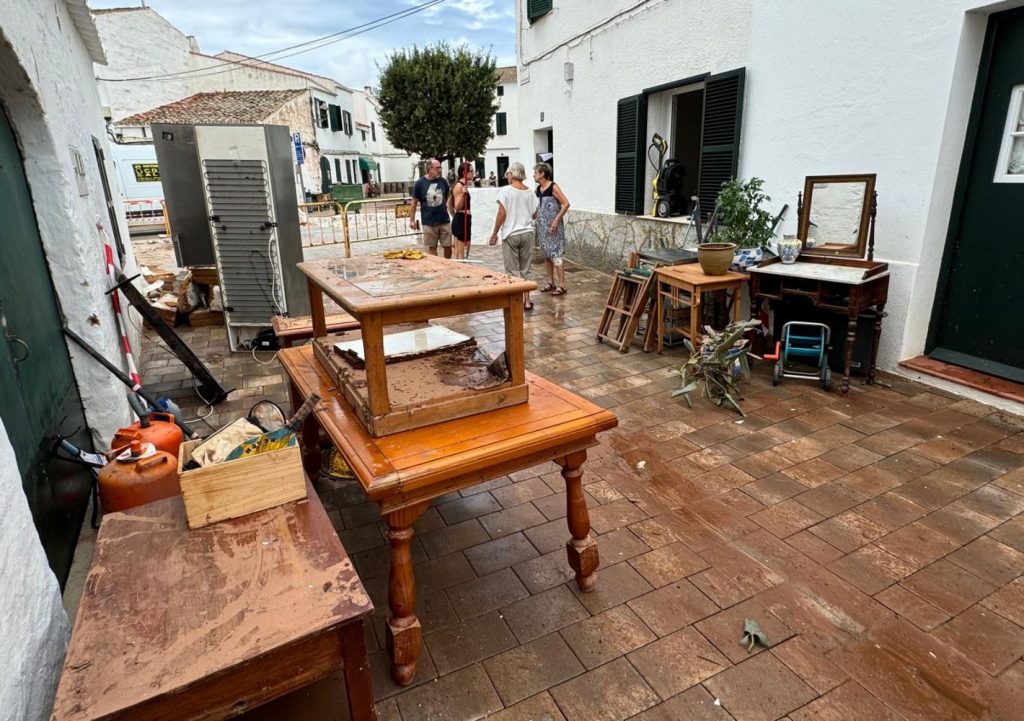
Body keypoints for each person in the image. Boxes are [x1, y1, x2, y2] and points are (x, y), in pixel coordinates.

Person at [489, 162, 539, 311]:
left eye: (508, 173)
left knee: (511, 271)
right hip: (527, 233)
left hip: (511, 234)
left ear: (512, 174)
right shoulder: (530, 192)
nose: (507, 176)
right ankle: (527, 301)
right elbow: (535, 212)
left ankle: (513, 302)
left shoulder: (506, 191)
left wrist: (494, 233)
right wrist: (524, 218)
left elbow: (501, 213)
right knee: (525, 269)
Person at [533, 162, 571, 295]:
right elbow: (538, 208)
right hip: (543, 228)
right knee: (547, 255)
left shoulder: (553, 187)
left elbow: (566, 204)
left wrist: (556, 220)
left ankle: (562, 285)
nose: (534, 175)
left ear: (543, 174)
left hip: (554, 227)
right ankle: (550, 282)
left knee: (555, 254)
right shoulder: (538, 190)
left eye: (536, 172)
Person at [409, 158, 452, 258]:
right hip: (429, 222)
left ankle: (447, 266)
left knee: (448, 246)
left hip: (444, 220)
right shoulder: (420, 183)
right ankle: (437, 268)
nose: (440, 170)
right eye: (437, 168)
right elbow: (414, 202)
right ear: (429, 169)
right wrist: (412, 220)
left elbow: (448, 198)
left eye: (440, 167)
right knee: (432, 248)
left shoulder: (443, 182)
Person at [450, 161, 475, 259]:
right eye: (471, 171)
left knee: (466, 252)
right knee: (461, 254)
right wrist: (464, 195)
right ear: (465, 173)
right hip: (461, 220)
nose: (473, 173)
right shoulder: (459, 186)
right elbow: (457, 207)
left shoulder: (464, 186)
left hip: (466, 219)